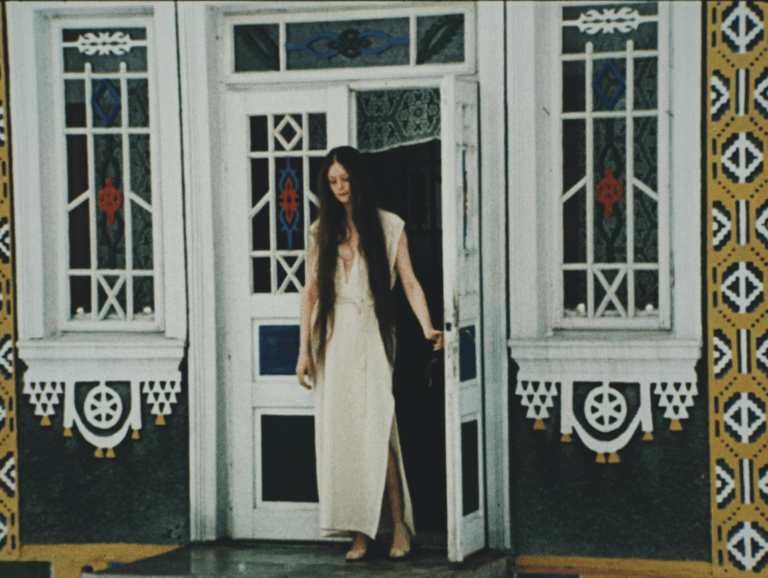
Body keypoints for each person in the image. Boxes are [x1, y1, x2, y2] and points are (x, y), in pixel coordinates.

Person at [296, 146, 443, 562]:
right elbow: (310, 293)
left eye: (345, 179)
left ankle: (398, 525)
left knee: (377, 432)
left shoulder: (389, 226)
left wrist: (427, 326)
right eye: (332, 182)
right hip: (332, 341)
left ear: (359, 178)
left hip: (371, 337)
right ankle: (359, 531)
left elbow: (410, 282)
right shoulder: (320, 231)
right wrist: (303, 351)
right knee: (343, 438)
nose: (340, 188)